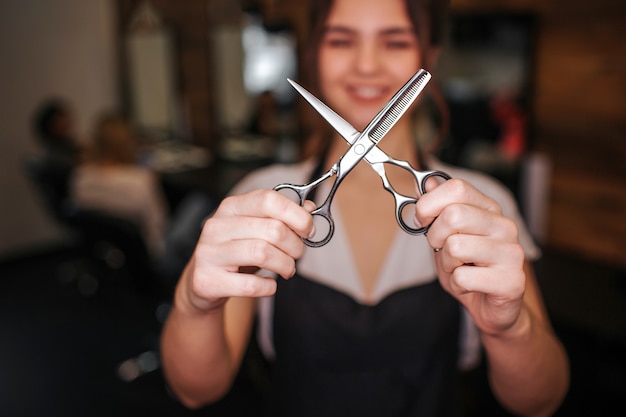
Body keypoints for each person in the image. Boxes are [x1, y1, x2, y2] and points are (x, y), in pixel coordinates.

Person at [160, 0, 570, 416]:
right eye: (341, 41)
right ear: (315, 55)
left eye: (394, 42)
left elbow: (541, 402)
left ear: (428, 57)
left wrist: (510, 329)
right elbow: (195, 390)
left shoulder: (478, 206)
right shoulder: (266, 199)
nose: (367, 66)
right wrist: (194, 305)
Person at [70, 111, 169, 259]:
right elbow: (160, 228)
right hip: (150, 258)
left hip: (105, 254)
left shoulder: (80, 177)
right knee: (200, 203)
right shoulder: (140, 181)